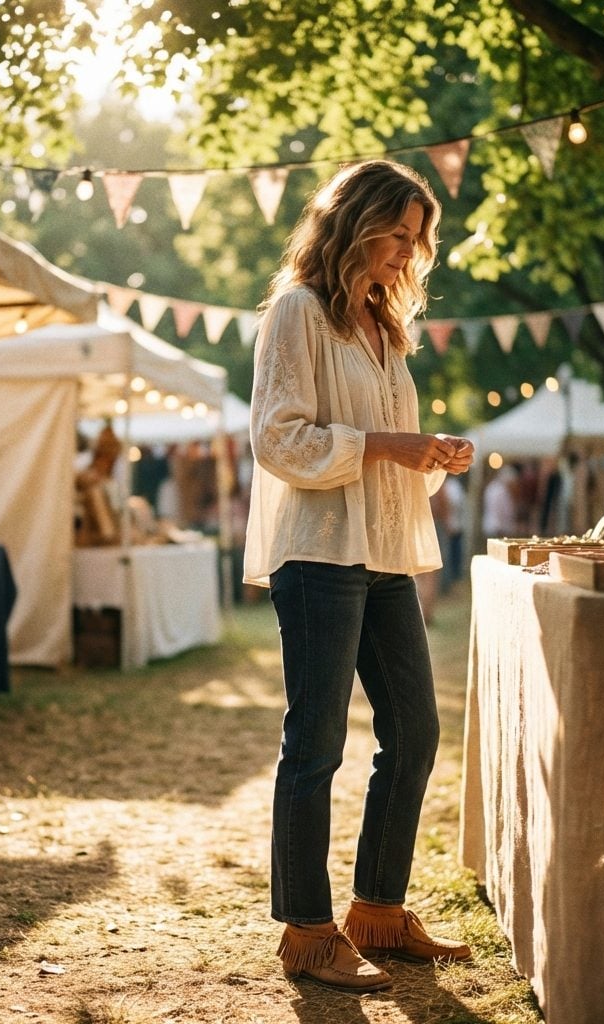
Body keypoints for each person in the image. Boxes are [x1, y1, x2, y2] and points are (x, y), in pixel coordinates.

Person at [242, 159, 475, 994]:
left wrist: (432, 455)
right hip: (317, 553)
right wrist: (386, 446)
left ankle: (377, 911)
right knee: (316, 743)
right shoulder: (298, 312)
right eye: (398, 234)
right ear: (356, 221)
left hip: (381, 553)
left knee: (414, 731)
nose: (407, 253)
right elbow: (280, 438)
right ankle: (307, 932)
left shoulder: (383, 323)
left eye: (417, 241)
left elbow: (389, 452)